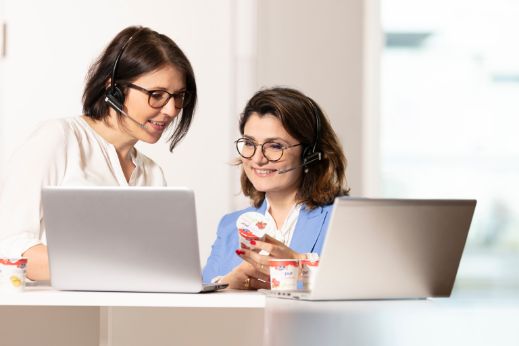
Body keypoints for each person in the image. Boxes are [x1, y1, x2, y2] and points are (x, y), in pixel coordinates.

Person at [0, 26, 197, 281]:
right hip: (53, 315)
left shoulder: (152, 175)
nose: (171, 110)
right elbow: (8, 244)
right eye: (156, 95)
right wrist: (107, 266)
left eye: (178, 97)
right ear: (113, 88)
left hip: (122, 318)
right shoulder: (59, 139)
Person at [203, 87, 349, 289]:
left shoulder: (342, 219)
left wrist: (300, 267)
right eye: (249, 143)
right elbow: (198, 305)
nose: (257, 158)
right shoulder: (229, 227)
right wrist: (229, 284)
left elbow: (369, 286)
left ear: (309, 153)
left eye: (275, 146)